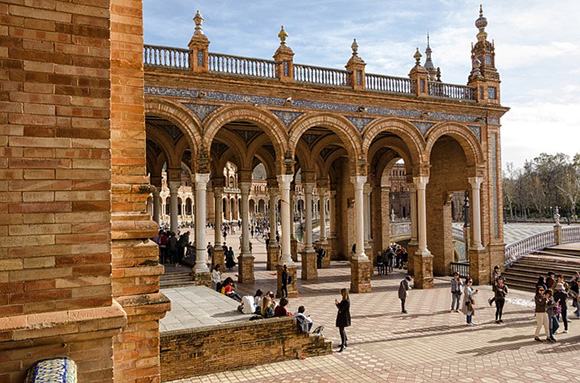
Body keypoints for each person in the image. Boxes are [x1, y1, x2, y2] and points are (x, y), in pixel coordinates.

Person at [335, 288, 351, 352]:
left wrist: (337, 304)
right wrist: (338, 304)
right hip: (342, 316)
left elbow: (341, 308)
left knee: (341, 330)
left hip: (344, 317)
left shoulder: (346, 301)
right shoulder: (344, 300)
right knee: (342, 329)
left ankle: (343, 344)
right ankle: (345, 342)